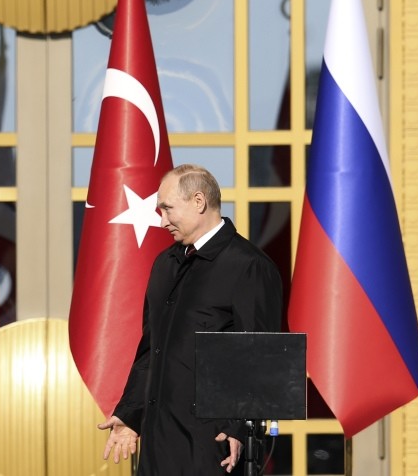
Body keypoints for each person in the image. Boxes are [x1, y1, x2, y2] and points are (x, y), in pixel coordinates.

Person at [99, 164, 283, 475]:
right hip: (157, 444)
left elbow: (260, 356)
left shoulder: (249, 266)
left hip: (212, 447)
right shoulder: (165, 265)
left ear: (199, 202)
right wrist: (130, 414)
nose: (162, 220)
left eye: (168, 209)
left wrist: (237, 427)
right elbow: (150, 350)